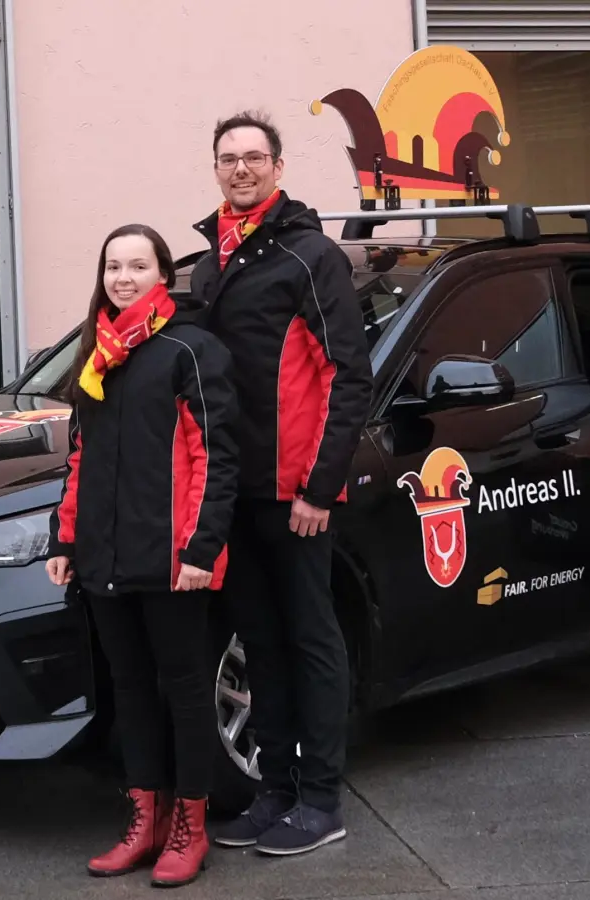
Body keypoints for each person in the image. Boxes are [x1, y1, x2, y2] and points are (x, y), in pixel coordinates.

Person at [189, 110, 373, 855]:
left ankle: (323, 799)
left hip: (297, 495)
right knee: (261, 644)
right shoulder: (210, 264)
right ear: (216, 170)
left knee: (312, 640)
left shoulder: (308, 256)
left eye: (254, 157)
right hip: (234, 492)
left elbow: (348, 377)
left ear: (279, 168)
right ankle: (276, 791)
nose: (241, 169)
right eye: (228, 158)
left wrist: (319, 489)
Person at [46, 224, 238, 887]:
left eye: (136, 266)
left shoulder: (190, 349)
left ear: (163, 275)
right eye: (112, 267)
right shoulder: (96, 356)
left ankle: (191, 825)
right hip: (104, 556)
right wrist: (66, 539)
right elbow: (80, 459)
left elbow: (215, 458)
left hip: (171, 558)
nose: (122, 278)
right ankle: (145, 820)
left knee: (183, 692)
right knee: (130, 691)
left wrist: (199, 548)